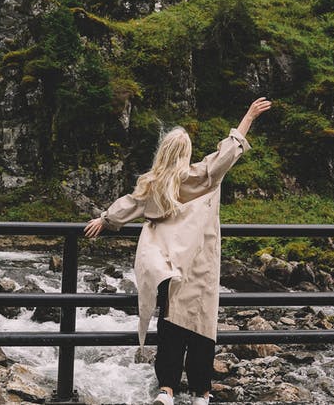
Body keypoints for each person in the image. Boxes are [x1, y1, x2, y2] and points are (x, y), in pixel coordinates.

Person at [84, 98, 272, 405]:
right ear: (185, 154)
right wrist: (249, 115)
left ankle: (167, 389)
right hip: (201, 259)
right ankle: (201, 393)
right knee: (201, 322)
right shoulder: (204, 175)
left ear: (163, 153)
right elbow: (230, 151)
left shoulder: (154, 184)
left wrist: (104, 219)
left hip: (170, 264)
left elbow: (128, 206)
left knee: (171, 322)